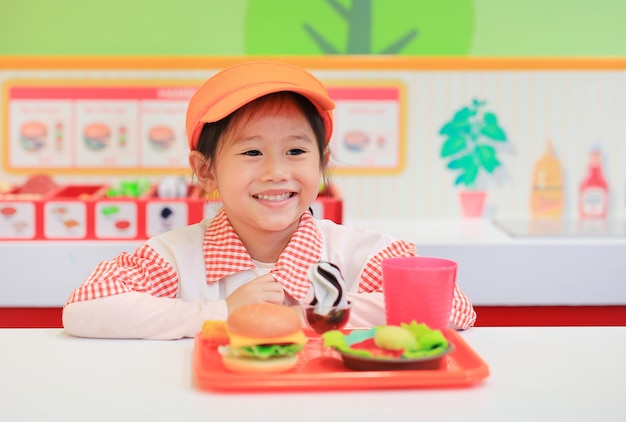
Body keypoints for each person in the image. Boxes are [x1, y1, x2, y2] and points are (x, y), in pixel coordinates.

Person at [62, 61, 476, 339]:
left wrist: (307, 317)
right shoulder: (174, 258)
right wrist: (221, 314)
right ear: (206, 170)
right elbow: (85, 308)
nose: (277, 172)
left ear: (322, 162)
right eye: (252, 152)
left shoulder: (358, 254)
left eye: (296, 152)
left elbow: (451, 307)